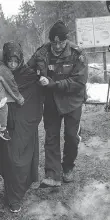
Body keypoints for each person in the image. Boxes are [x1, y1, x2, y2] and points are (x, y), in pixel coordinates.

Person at [27, 20, 88, 187]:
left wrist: (54, 84)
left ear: (66, 40)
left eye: (61, 42)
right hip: (52, 102)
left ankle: (68, 167)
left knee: (71, 137)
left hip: (72, 101)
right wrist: (36, 78)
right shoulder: (42, 52)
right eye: (54, 42)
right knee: (51, 136)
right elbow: (28, 69)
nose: (58, 45)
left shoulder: (77, 54)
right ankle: (52, 174)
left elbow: (79, 81)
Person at [0, 41, 44, 213]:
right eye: (9, 61)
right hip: (7, 125)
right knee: (10, 161)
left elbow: (37, 97)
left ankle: (19, 191)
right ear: (5, 60)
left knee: (22, 161)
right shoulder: (0, 74)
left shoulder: (29, 75)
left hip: (25, 125)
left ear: (20, 60)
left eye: (15, 61)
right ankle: (13, 197)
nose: (12, 65)